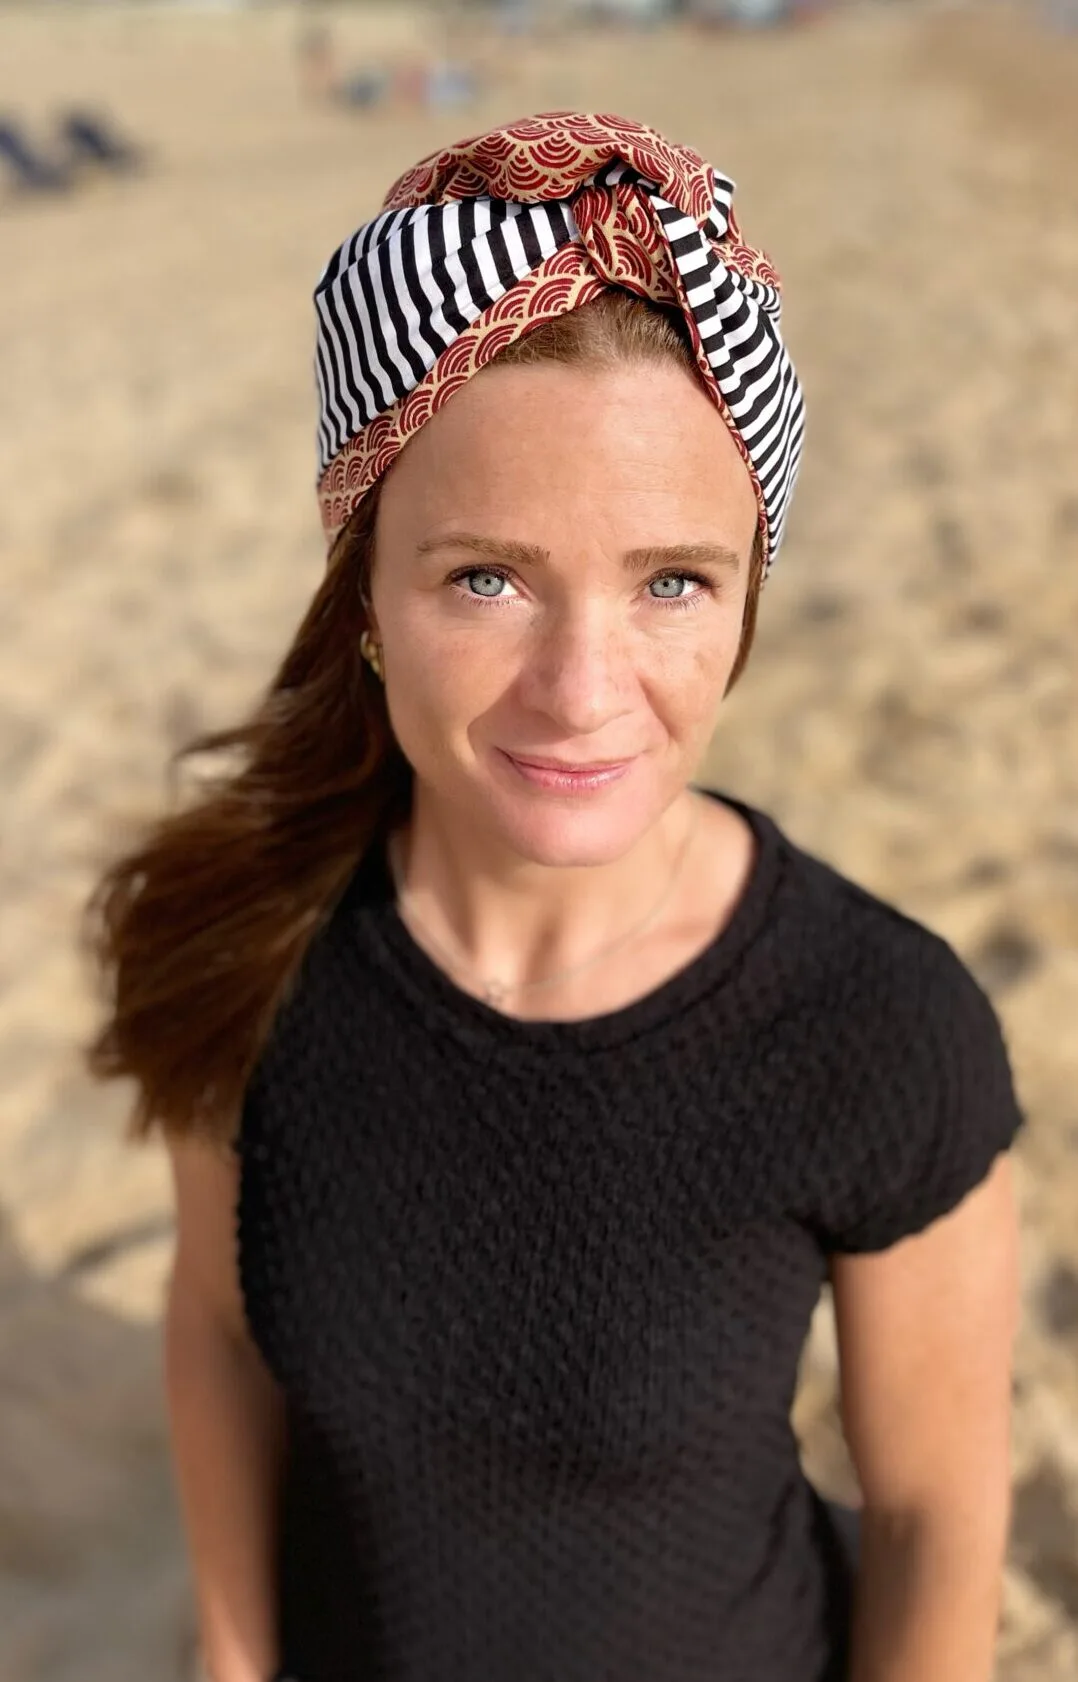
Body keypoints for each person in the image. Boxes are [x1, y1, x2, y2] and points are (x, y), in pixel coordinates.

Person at [83, 112, 1025, 1682]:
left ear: (745, 599)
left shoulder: (880, 1026)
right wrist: (233, 1658)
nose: (582, 691)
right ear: (365, 593)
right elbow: (219, 1330)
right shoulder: (242, 937)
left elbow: (935, 1514)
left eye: (671, 581)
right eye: (487, 577)